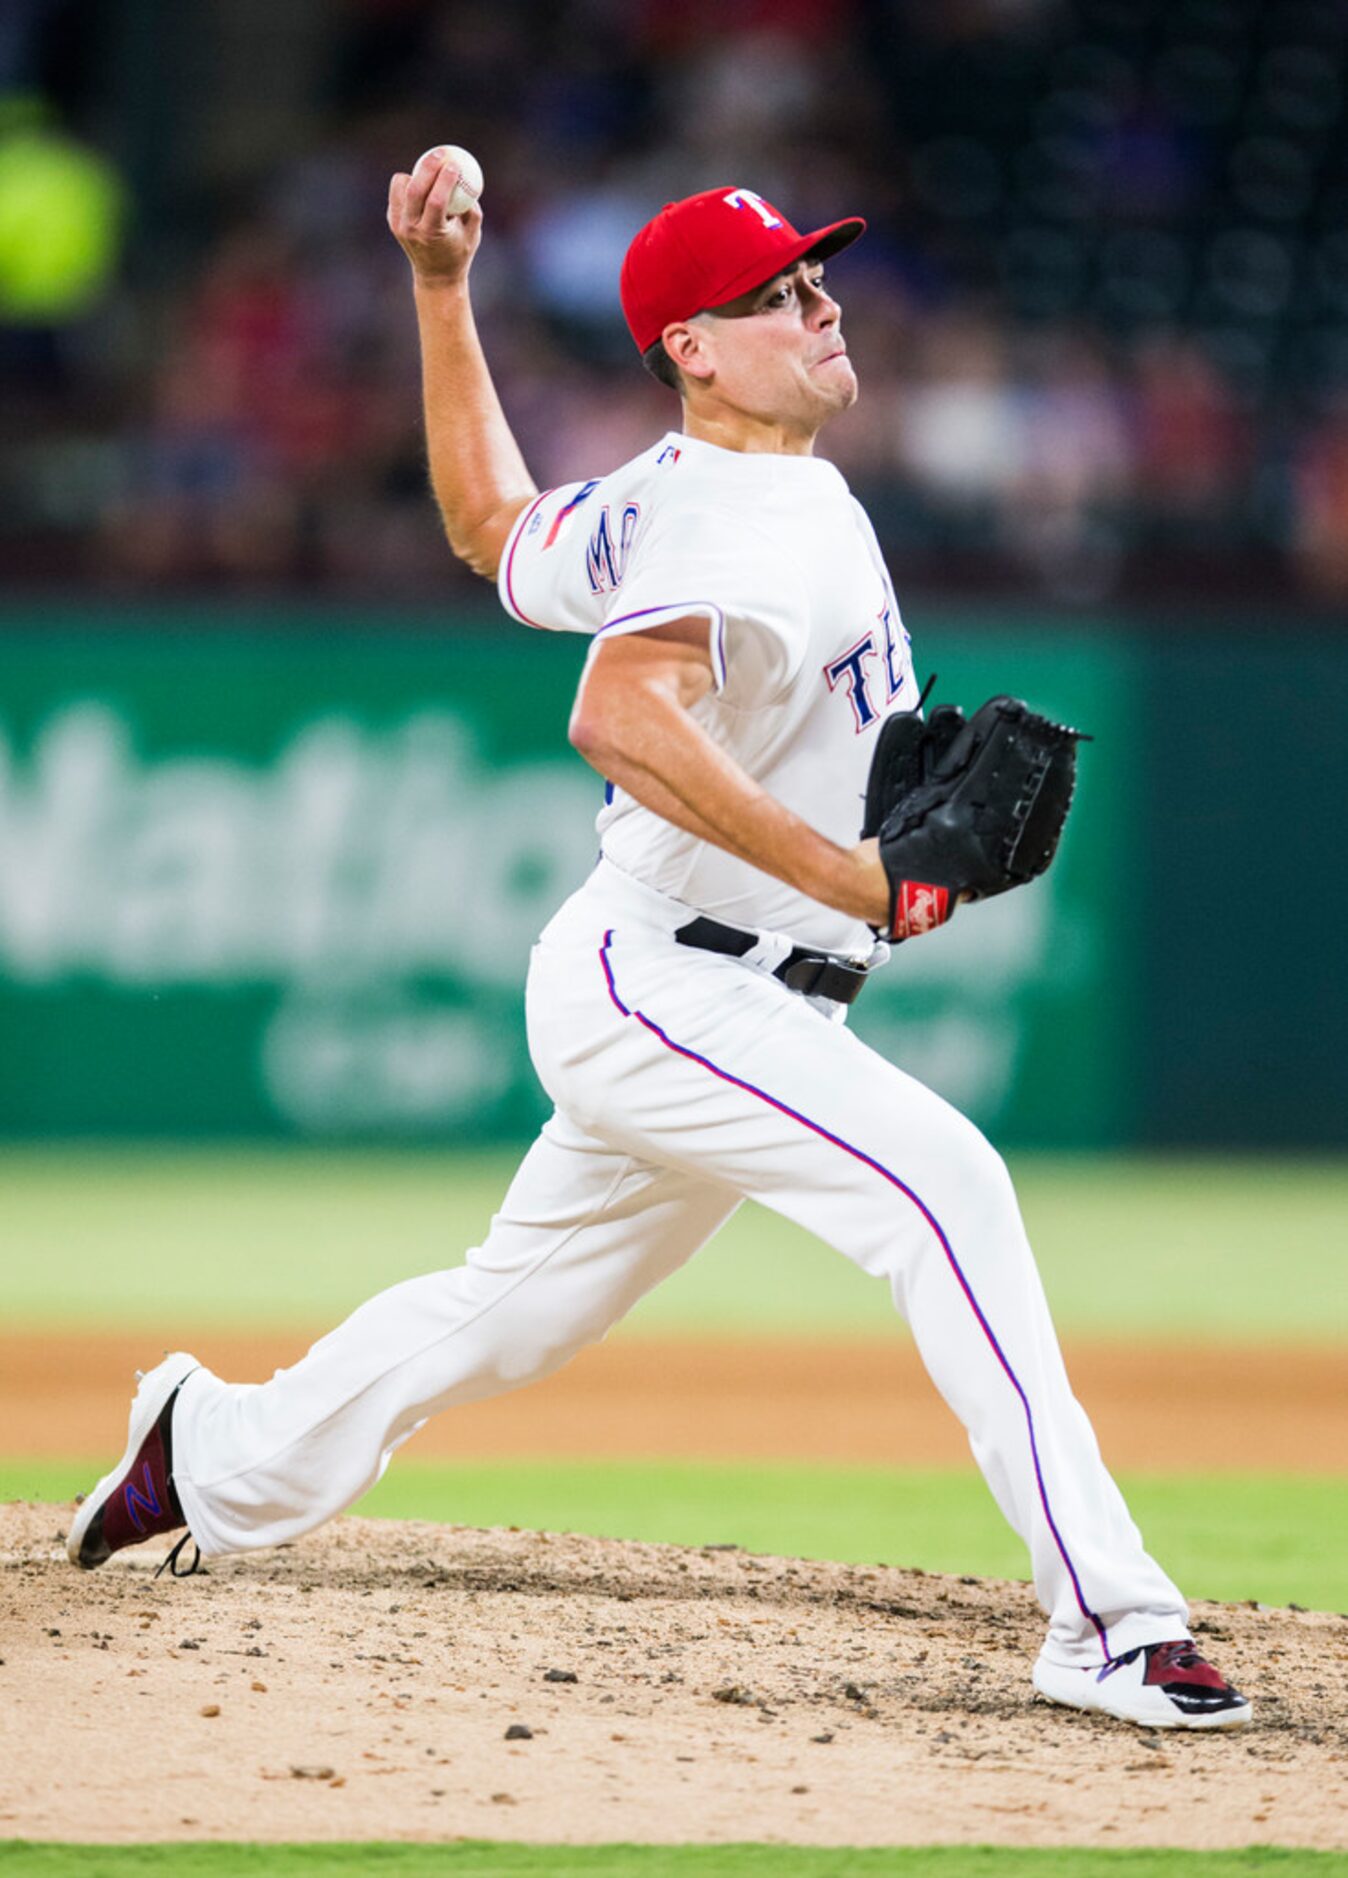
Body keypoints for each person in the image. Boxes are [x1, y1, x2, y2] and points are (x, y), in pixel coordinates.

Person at [68, 153, 1250, 1733]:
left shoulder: (670, 496)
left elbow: (492, 523)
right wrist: (848, 869)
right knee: (945, 1185)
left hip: (704, 982)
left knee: (513, 1310)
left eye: (821, 278)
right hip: (670, 981)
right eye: (779, 293)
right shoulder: (735, 518)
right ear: (690, 344)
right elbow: (613, 712)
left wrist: (437, 291)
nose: (824, 303)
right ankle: (1111, 1621)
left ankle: (206, 1450)